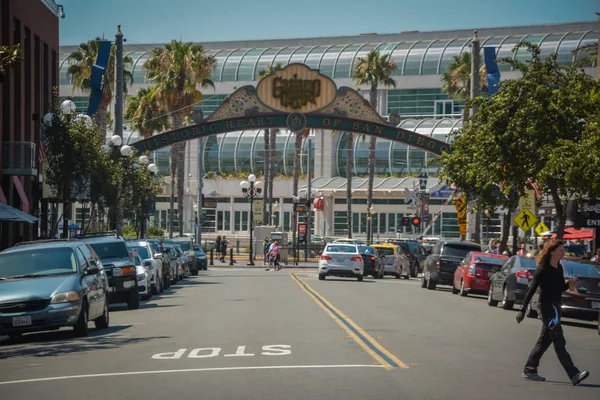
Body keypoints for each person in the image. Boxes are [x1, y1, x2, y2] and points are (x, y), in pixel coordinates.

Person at [516, 240, 589, 385]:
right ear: (552, 252)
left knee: (544, 341)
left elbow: (560, 289)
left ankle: (530, 369)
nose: (563, 252)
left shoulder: (559, 268)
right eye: (561, 250)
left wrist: (570, 283)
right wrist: (522, 310)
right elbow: (531, 289)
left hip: (556, 307)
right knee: (558, 339)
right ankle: (573, 374)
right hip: (546, 307)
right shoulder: (543, 269)